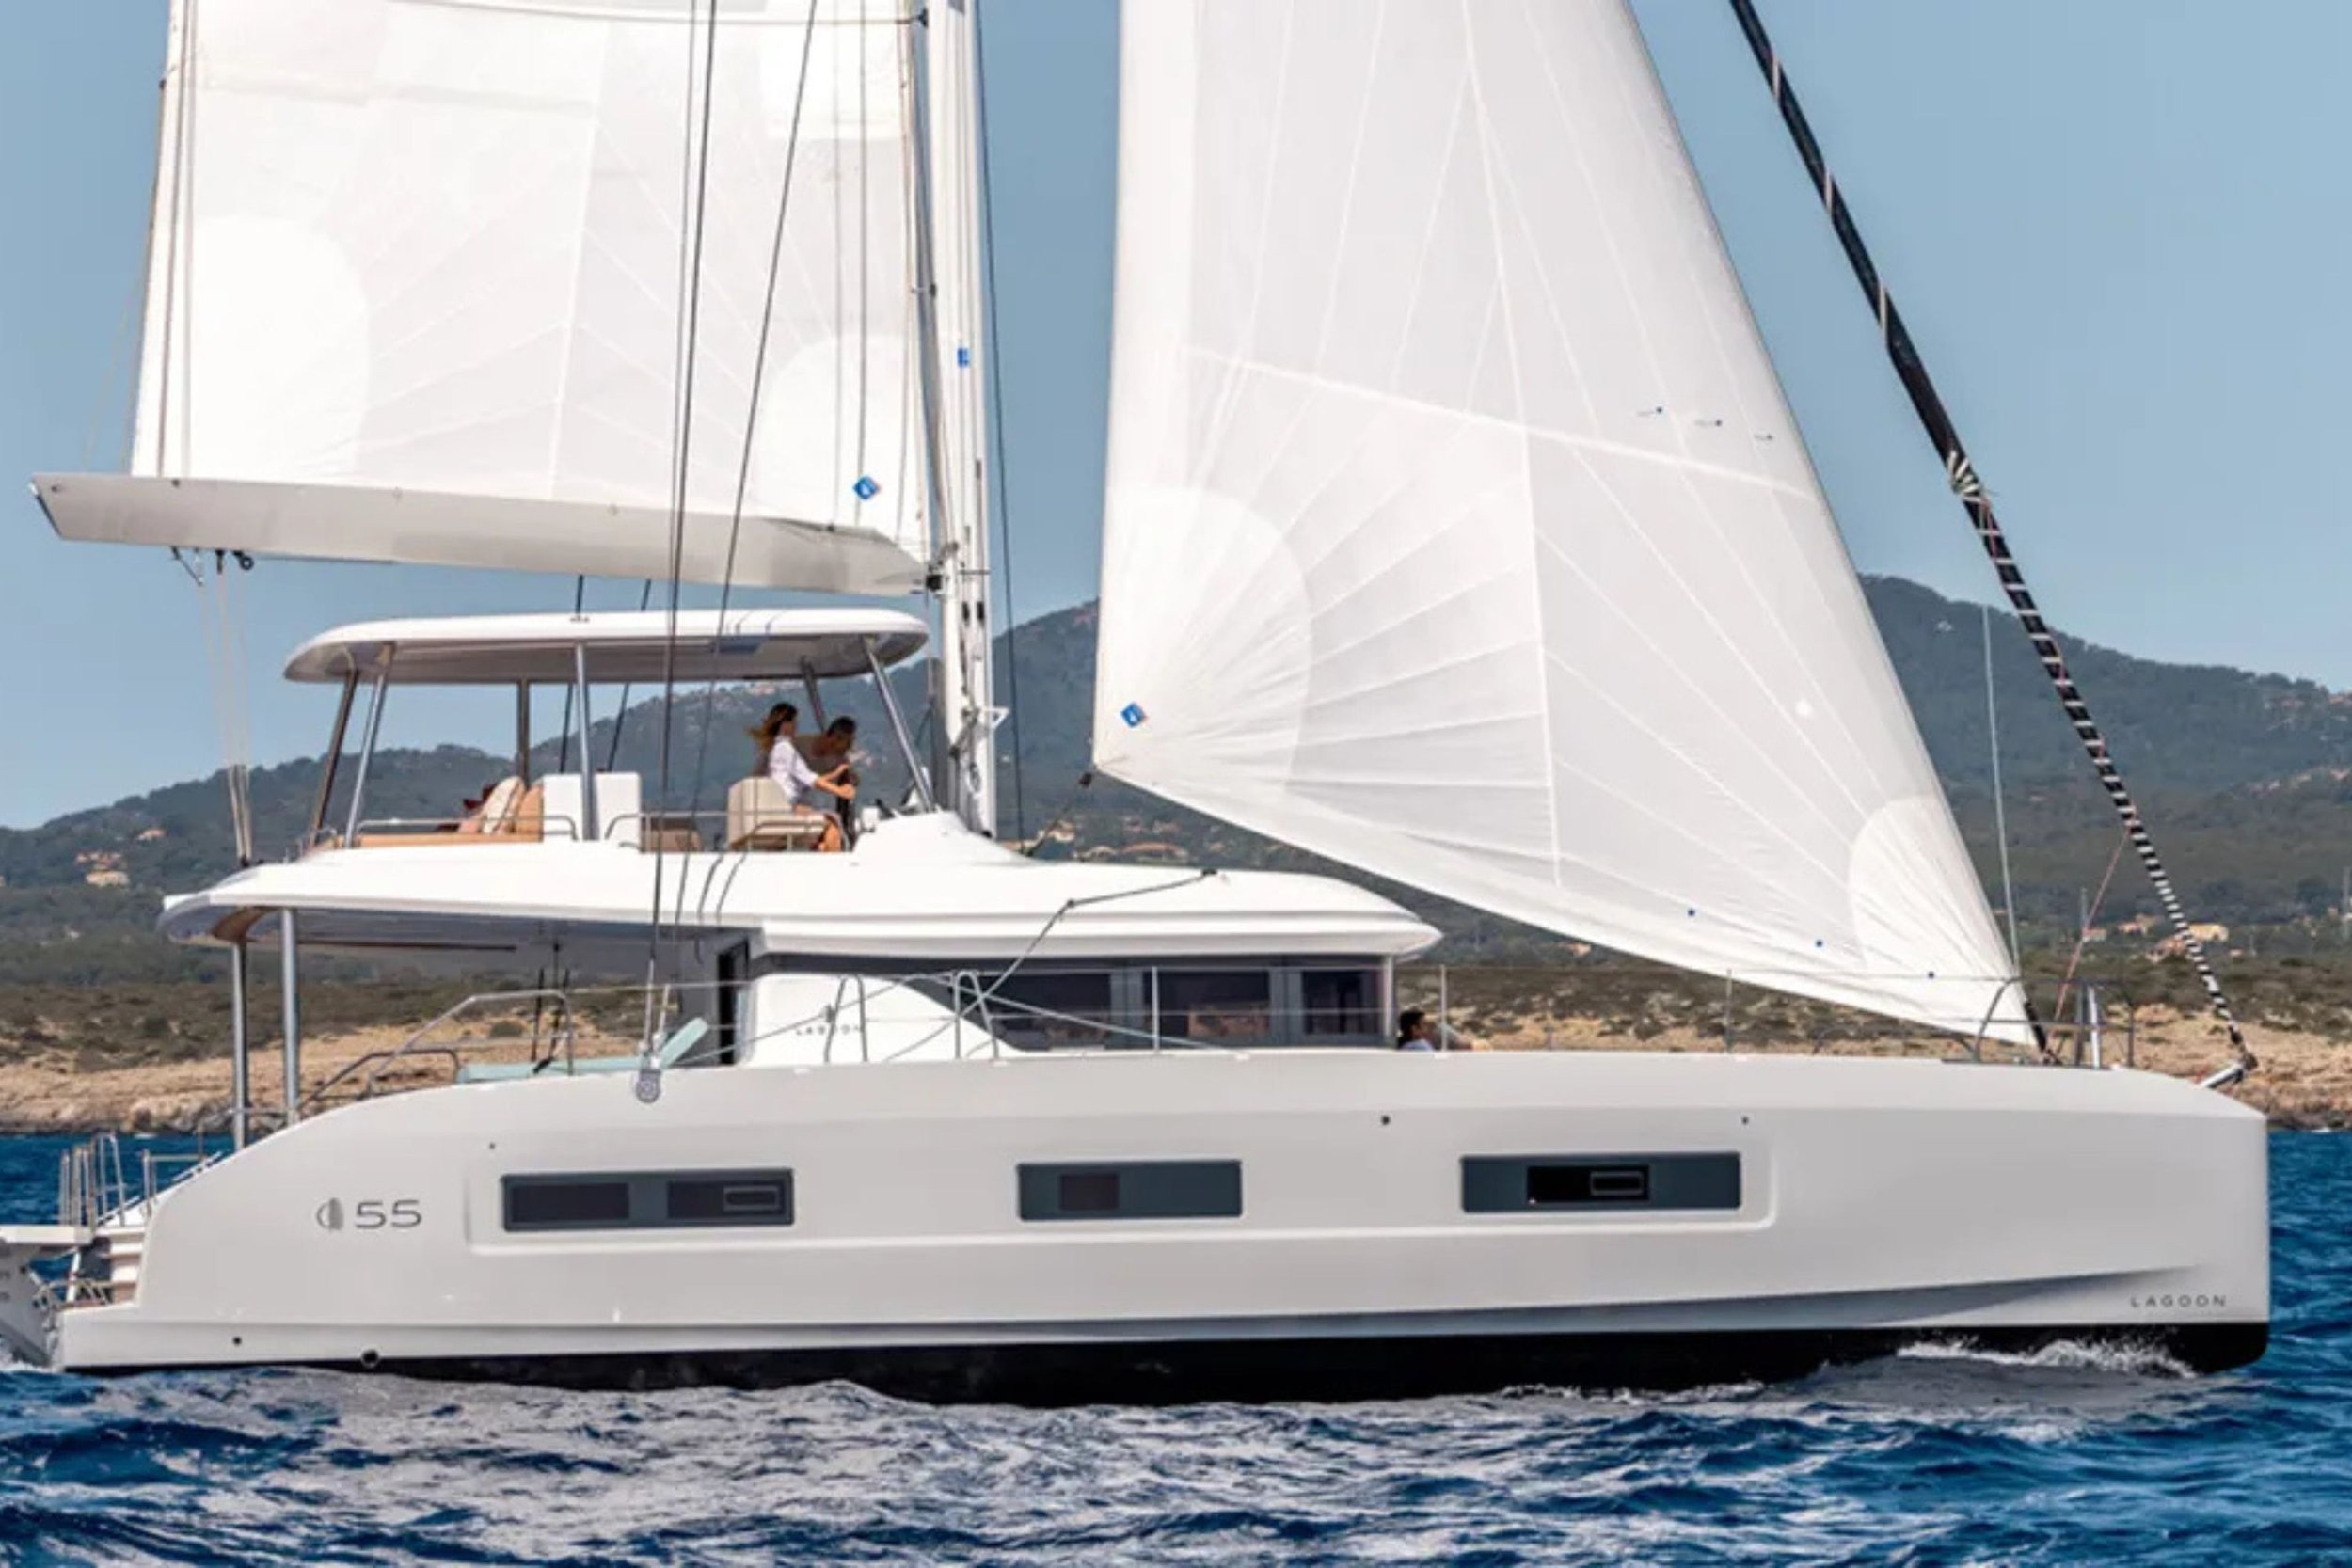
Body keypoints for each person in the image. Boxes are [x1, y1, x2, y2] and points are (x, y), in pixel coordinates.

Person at [759, 705, 855, 852]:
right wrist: (840, 791)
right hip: (786, 810)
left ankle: (822, 851)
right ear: (786, 724)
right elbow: (811, 779)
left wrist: (835, 774)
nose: (797, 726)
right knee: (832, 824)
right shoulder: (786, 748)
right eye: (795, 722)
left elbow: (804, 782)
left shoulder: (778, 748)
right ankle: (835, 869)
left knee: (821, 838)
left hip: (783, 808)